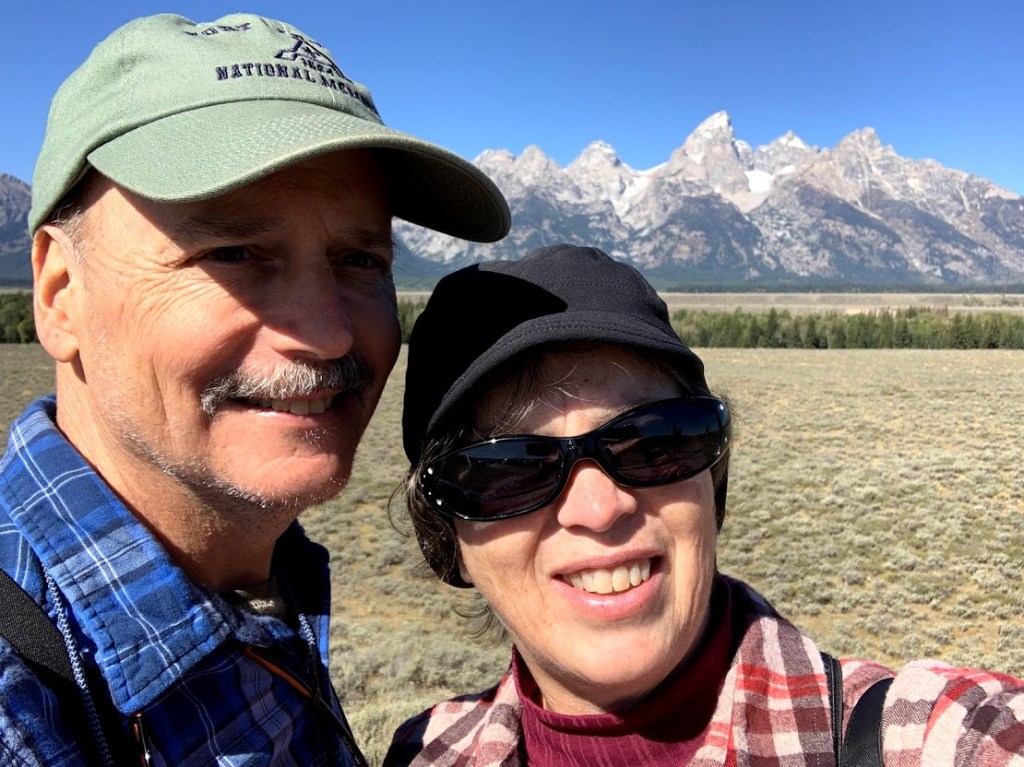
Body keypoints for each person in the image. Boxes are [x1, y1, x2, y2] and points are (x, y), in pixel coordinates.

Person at [0, 11, 509, 767]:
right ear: (60, 293)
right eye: (236, 251)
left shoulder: (260, 578)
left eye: (360, 259)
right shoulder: (25, 707)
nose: (329, 333)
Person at [386, 244, 1024, 766]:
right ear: (447, 538)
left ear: (711, 482)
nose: (599, 508)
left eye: (655, 441)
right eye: (507, 471)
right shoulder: (425, 753)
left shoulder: (927, 736)